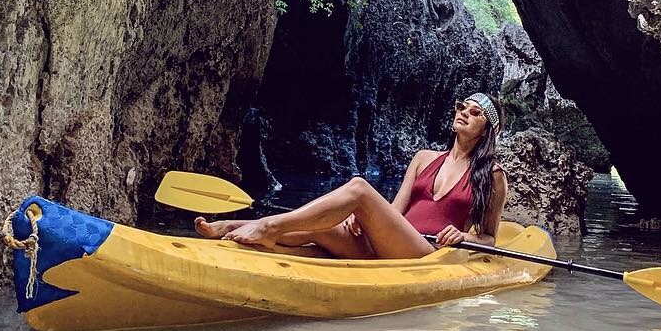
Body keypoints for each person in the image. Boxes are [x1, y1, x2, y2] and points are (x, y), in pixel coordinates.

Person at [195, 92, 507, 258]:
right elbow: (395, 211)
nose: (464, 113)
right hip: (389, 241)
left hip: (426, 252)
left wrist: (464, 236)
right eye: (462, 107)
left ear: (487, 130)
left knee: (359, 188)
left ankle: (266, 226)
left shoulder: (492, 175)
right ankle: (234, 228)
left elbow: (489, 238)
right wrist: (367, 220)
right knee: (320, 227)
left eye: (475, 112)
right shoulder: (424, 158)